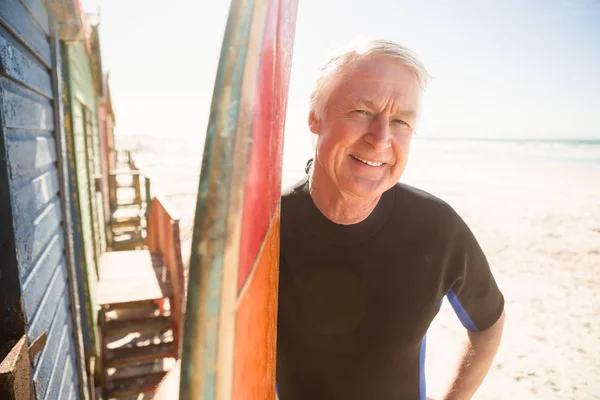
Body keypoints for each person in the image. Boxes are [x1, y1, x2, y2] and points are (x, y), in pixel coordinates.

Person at [276, 38, 506, 400]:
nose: (380, 139)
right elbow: (205, 350)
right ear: (314, 117)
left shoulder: (436, 229)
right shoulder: (265, 231)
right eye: (362, 112)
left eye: (400, 121)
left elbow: (488, 322)